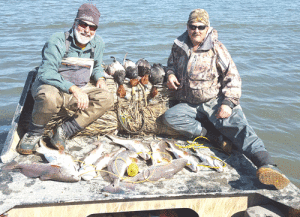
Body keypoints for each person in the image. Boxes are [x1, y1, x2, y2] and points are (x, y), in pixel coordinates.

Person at [162, 9, 290, 190]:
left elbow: (233, 77)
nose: (196, 31)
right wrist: (170, 75)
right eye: (193, 26)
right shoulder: (178, 46)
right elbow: (171, 65)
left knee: (240, 128)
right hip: (189, 103)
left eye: (201, 27)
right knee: (170, 118)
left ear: (207, 28)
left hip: (213, 101)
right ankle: (212, 136)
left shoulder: (217, 48)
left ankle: (267, 165)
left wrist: (228, 104)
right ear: (187, 26)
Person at [18, 3, 114, 154]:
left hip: (80, 87)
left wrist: (100, 78)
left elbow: (96, 67)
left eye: (92, 27)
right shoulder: (57, 40)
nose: (87, 30)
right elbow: (46, 72)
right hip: (53, 86)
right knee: (48, 97)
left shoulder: (98, 43)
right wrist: (73, 88)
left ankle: (63, 131)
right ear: (75, 23)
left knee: (107, 98)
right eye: (83, 24)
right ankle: (34, 133)